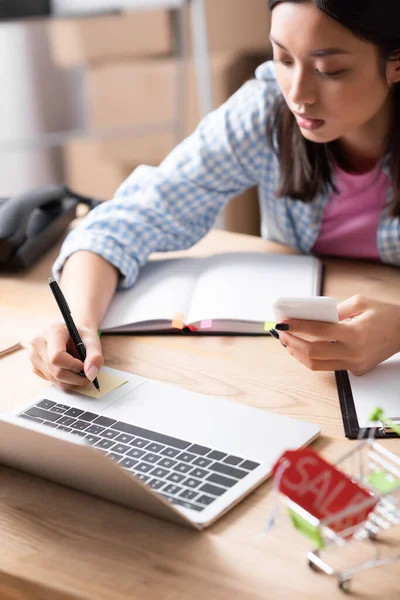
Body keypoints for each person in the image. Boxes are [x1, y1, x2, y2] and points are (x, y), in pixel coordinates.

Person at [29, 0, 400, 390]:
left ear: (395, 61)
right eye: (283, 59)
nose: (299, 94)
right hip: (292, 372)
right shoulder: (264, 110)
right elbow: (129, 218)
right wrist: (75, 320)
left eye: (330, 70)